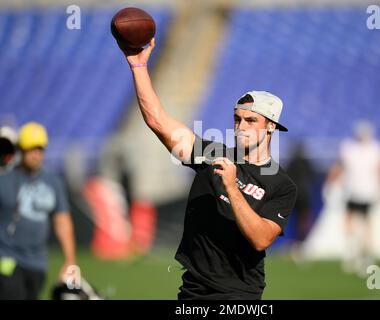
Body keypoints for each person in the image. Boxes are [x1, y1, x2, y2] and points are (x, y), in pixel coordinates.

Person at [117, 39, 297, 299]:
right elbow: (157, 120)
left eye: (251, 120)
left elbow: (260, 239)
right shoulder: (213, 155)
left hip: (239, 295)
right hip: (193, 290)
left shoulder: (281, 184)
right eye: (237, 119)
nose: (241, 127)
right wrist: (138, 65)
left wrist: (232, 188)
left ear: (271, 127)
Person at [0, 122, 77, 299]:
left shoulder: (52, 181)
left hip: (37, 263)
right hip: (7, 258)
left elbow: (62, 221)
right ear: (20, 150)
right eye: (30, 149)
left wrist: (70, 260)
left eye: (39, 149)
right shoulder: (5, 178)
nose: (36, 154)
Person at [326, 121, 380, 276]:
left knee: (365, 224)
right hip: (353, 191)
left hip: (367, 192)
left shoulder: (375, 149)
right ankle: (354, 252)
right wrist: (331, 181)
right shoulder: (350, 148)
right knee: (353, 222)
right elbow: (340, 167)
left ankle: (364, 253)